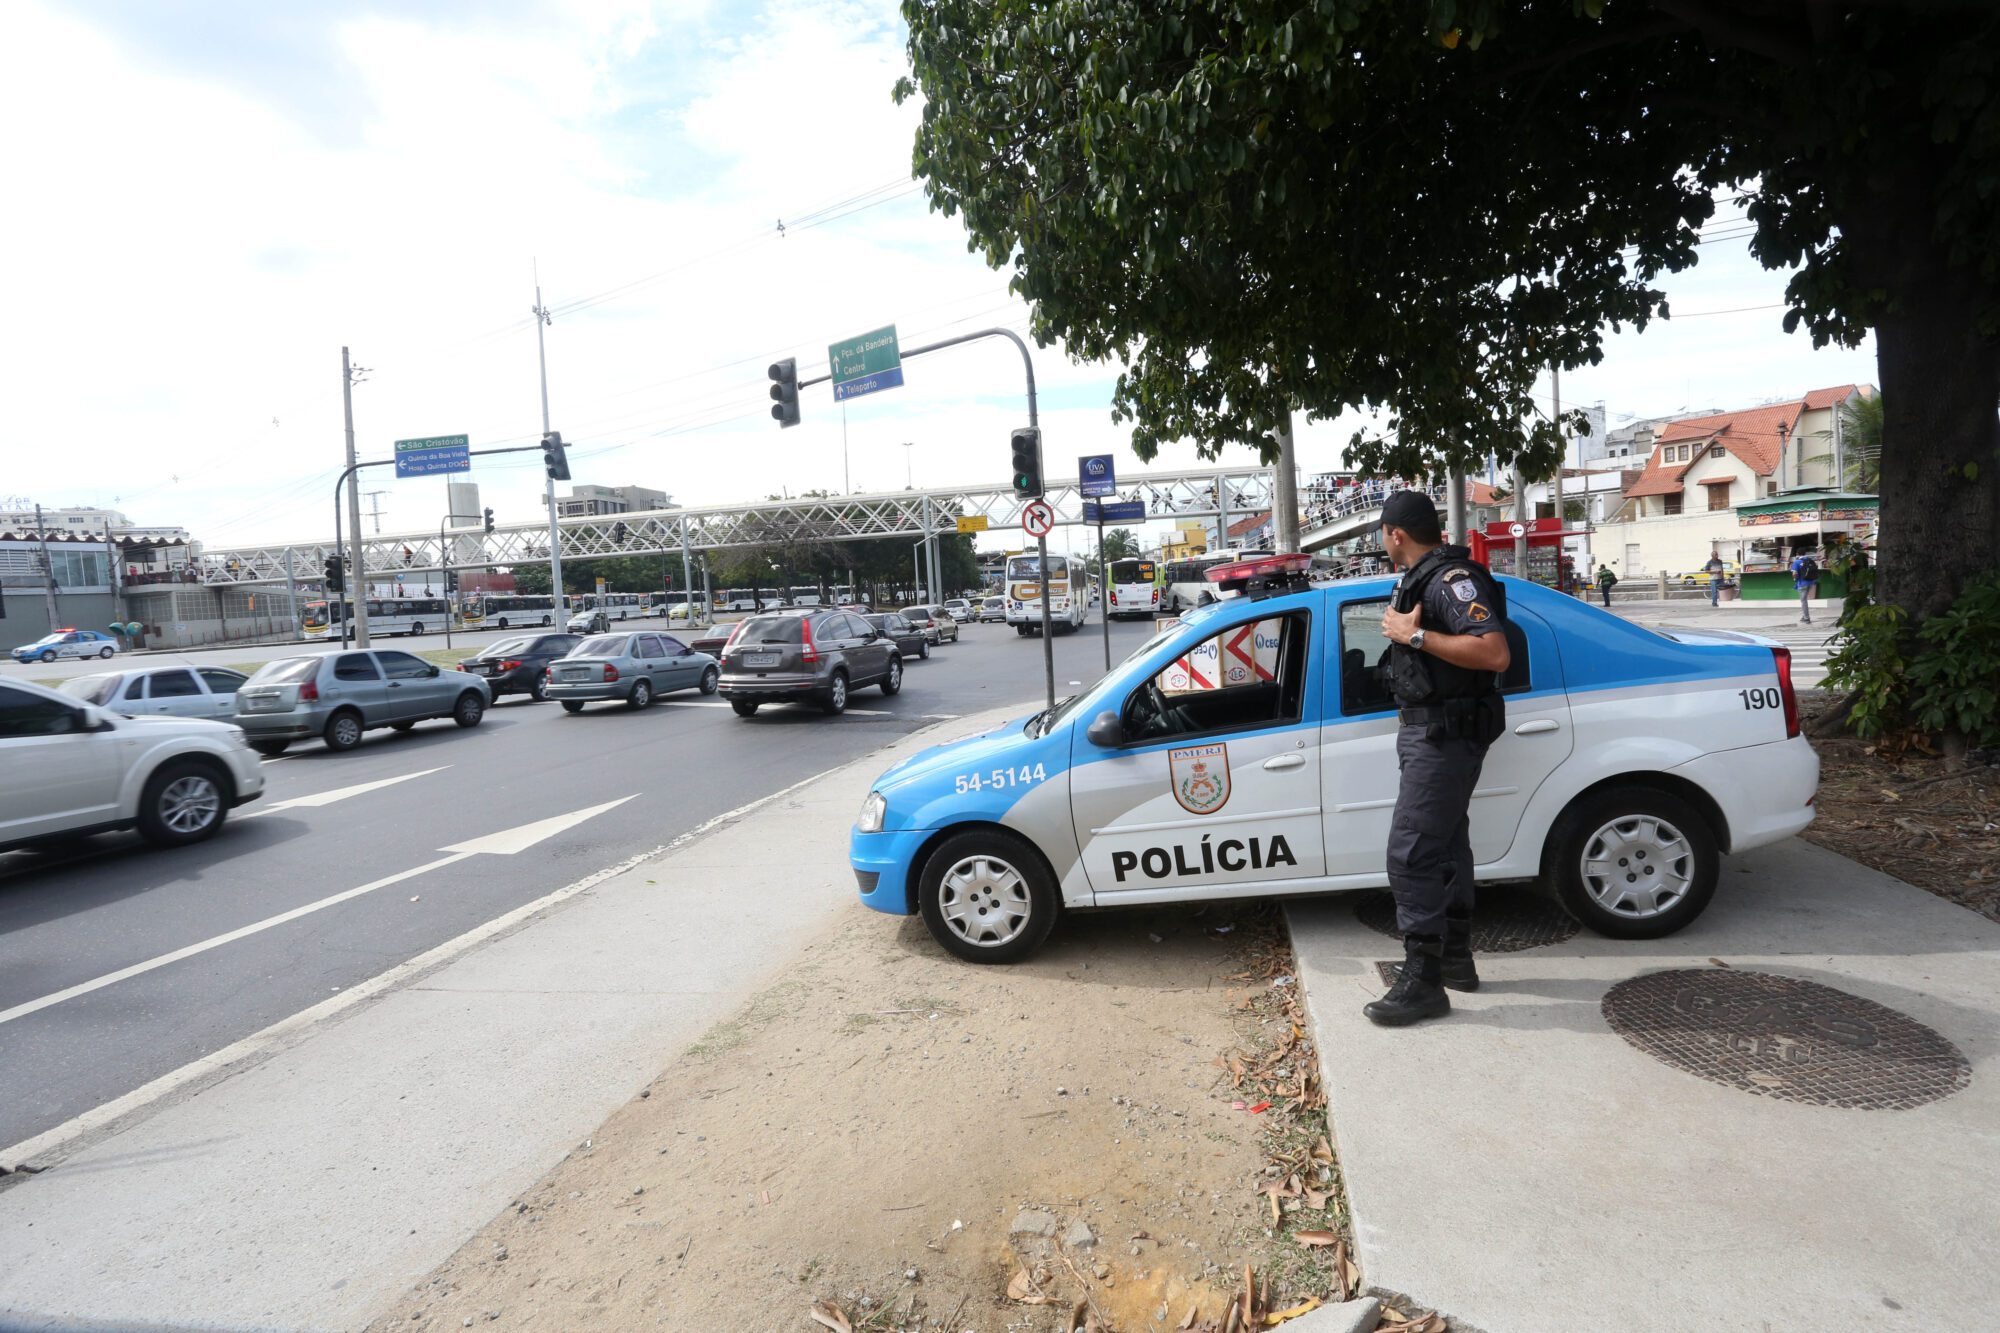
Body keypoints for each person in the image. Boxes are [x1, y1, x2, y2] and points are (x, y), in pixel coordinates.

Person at [1367, 490, 1513, 1026]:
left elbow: (1494, 651)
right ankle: (1454, 959)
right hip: (1432, 735)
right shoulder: (1421, 576)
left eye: (1382, 533)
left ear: (1395, 534)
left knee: (1411, 854)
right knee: (1447, 847)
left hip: (1445, 738)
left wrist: (1417, 635)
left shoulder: (1452, 581)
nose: (1382, 541)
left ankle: (1423, 981)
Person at [1790, 549, 1820, 624]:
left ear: (1797, 554)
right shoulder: (1809, 560)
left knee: (1803, 601)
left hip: (1802, 584)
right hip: (1811, 582)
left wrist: (1794, 579)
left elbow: (1794, 573)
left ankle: (1806, 618)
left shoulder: (1796, 562)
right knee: (1804, 600)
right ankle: (1804, 616)